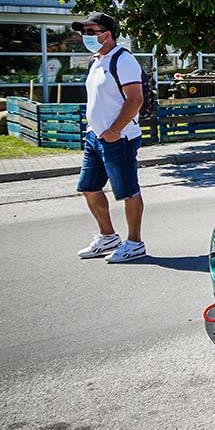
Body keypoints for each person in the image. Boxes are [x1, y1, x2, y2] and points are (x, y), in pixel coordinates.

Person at [71, 13, 146, 263]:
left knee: (128, 191)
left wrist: (114, 130)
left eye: (92, 31)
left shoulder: (123, 60)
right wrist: (94, 128)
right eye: (84, 32)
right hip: (95, 137)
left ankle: (134, 243)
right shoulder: (96, 60)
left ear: (108, 33)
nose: (86, 36)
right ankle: (108, 237)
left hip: (120, 137)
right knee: (88, 188)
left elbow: (135, 99)